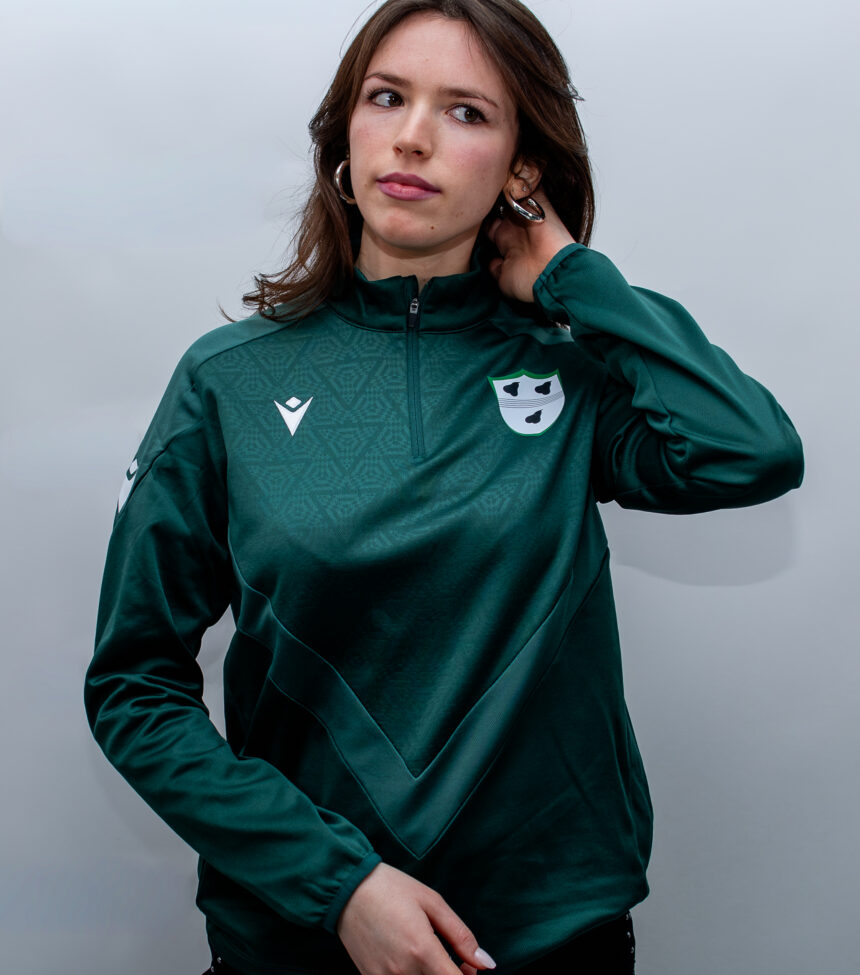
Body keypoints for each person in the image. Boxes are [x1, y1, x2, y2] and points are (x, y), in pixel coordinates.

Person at [84, 1, 804, 973]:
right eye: (387, 98)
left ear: (520, 169)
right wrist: (338, 884)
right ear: (345, 133)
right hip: (298, 940)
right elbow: (134, 688)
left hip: (551, 935)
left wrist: (572, 278)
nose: (413, 136)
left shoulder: (568, 374)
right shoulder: (226, 381)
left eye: (466, 111)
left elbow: (748, 451)